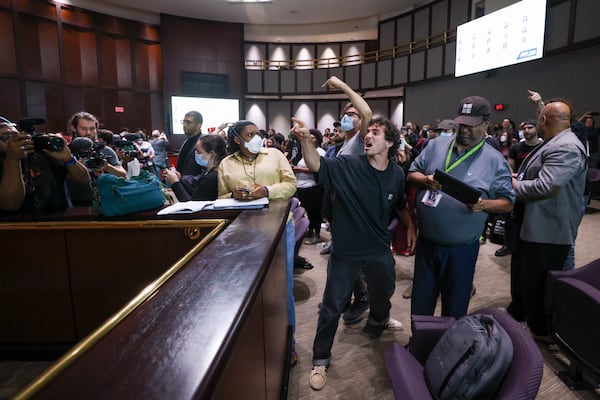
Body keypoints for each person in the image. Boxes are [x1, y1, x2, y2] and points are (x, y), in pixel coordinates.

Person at [292, 115, 415, 391]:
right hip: (346, 251)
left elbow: (398, 206)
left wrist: (410, 227)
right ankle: (321, 358)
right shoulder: (348, 164)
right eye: (367, 131)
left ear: (391, 142)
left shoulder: (396, 173)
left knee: (384, 290)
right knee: (333, 305)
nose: (368, 136)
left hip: (378, 248)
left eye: (376, 132)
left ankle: (379, 319)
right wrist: (305, 141)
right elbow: (316, 165)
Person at [407, 96, 514, 319]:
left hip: (461, 249)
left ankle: (449, 351)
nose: (464, 130)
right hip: (427, 243)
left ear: (486, 124)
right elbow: (411, 172)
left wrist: (484, 204)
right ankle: (418, 344)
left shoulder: (495, 161)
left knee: (454, 305)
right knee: (421, 301)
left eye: (471, 125)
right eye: (461, 124)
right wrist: (424, 179)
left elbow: (507, 202)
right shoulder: (436, 145)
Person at [507, 99, 587, 339]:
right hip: (532, 224)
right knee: (525, 275)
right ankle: (522, 314)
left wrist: (513, 185)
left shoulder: (566, 147)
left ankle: (540, 331)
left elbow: (546, 186)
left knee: (538, 282)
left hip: (548, 229)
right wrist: (518, 176)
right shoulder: (556, 142)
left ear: (542, 121)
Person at [322, 75, 374, 326]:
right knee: (339, 255)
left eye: (353, 114)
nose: (349, 116)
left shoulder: (361, 139)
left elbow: (367, 111)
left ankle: (361, 297)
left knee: (347, 258)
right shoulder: (342, 142)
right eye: (346, 113)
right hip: (339, 205)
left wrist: (342, 86)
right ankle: (340, 297)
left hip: (355, 209)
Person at [0, 116, 90, 213]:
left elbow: (84, 180)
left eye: (15, 135)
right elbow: (10, 204)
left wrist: (69, 159)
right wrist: (13, 159)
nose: (13, 141)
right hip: (20, 225)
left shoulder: (40, 152)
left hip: (61, 219)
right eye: (6, 137)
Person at [495, 119, 542, 257]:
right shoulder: (516, 147)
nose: (527, 130)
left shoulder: (542, 147)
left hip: (534, 187)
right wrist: (514, 175)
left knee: (532, 219)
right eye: (525, 128)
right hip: (516, 185)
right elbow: (509, 166)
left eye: (530, 128)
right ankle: (508, 245)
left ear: (537, 129)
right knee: (511, 219)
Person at [218, 120, 296, 200]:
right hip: (241, 211)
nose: (257, 138)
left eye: (258, 134)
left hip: (275, 210)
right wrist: (233, 195)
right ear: (237, 140)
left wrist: (267, 191)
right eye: (250, 135)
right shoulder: (225, 164)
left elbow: (291, 184)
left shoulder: (275, 154)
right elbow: (221, 197)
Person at [66, 111, 126, 206]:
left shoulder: (106, 150)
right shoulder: (66, 152)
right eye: (84, 129)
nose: (88, 133)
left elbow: (123, 175)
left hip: (106, 202)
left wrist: (107, 167)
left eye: (92, 129)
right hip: (75, 204)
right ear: (73, 128)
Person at [165, 134, 226, 201]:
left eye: (199, 152)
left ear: (211, 154)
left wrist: (175, 183)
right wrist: (179, 179)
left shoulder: (211, 178)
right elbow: (197, 192)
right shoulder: (209, 172)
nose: (195, 154)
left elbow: (192, 206)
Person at [292, 129, 326, 245]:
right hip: (302, 187)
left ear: (318, 140)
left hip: (312, 187)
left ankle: (317, 234)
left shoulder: (319, 152)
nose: (310, 139)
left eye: (313, 138)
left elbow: (317, 169)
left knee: (315, 211)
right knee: (309, 212)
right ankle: (310, 231)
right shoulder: (306, 152)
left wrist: (298, 169)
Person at [176, 111, 204, 176]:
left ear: (199, 125)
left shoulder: (203, 143)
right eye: (184, 122)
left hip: (195, 184)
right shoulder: (187, 141)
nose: (184, 125)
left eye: (188, 122)